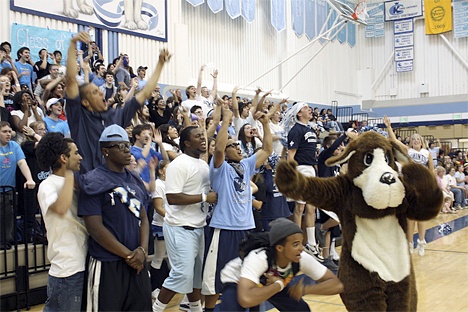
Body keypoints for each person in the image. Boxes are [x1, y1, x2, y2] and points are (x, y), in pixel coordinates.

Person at [64, 31, 170, 174]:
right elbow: (71, 80)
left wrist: (160, 63)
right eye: (94, 92)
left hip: (114, 184)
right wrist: (72, 44)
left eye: (99, 90)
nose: (101, 92)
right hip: (88, 185)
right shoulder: (79, 116)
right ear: (85, 102)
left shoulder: (116, 116)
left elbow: (144, 93)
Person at [201, 103, 274, 310]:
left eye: (239, 145)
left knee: (248, 276)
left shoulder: (246, 165)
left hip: (246, 229)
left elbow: (267, 149)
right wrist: (226, 121)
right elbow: (219, 149)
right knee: (216, 281)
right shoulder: (219, 167)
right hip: (224, 229)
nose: (239, 148)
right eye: (234, 145)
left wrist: (266, 124)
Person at [78, 124, 152, 311]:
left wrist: (142, 251)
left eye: (127, 145)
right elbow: (95, 228)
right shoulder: (92, 180)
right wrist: (128, 255)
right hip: (107, 263)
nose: (128, 150)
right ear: (105, 151)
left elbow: (143, 218)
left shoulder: (134, 179)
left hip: (137, 263)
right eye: (120, 146)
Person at [152, 126, 218, 312]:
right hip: (180, 227)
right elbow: (172, 198)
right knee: (181, 274)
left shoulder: (203, 164)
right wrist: (205, 198)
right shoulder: (178, 164)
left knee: (196, 277)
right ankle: (156, 309)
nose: (203, 139)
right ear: (187, 143)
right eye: (198, 137)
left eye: (203, 136)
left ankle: (195, 309)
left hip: (198, 226)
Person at [220, 218, 343, 311]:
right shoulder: (259, 258)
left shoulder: (301, 258)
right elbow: (245, 299)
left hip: (271, 284)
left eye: (301, 243)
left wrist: (305, 289)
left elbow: (337, 284)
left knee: (301, 310)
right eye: (295, 244)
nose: (301, 248)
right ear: (279, 248)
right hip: (238, 283)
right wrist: (278, 285)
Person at [36, 132, 87, 311]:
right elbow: (61, 207)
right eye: (76, 153)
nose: (80, 157)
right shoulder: (47, 185)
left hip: (83, 262)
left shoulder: (79, 181)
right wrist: (70, 174)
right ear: (64, 158)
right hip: (66, 268)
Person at [384, 116, 433, 256]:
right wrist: (388, 126)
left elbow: (431, 170)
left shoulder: (427, 154)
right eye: (413, 139)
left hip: (423, 186)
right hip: (410, 185)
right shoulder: (408, 151)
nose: (416, 141)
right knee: (410, 216)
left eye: (418, 139)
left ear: (422, 142)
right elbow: (394, 140)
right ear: (411, 143)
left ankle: (422, 242)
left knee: (421, 216)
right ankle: (410, 243)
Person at [284, 102, 323, 262]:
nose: (310, 110)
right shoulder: (295, 130)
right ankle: (296, 242)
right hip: (300, 170)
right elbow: (291, 155)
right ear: (299, 113)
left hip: (311, 170)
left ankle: (312, 243)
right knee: (299, 208)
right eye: (306, 108)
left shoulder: (310, 129)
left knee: (311, 207)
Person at [0, 121, 35, 249]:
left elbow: (22, 163)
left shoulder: (14, 146)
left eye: (9, 131)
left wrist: (29, 179)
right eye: (4, 132)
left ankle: (5, 242)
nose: (8, 134)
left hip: (9, 191)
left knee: (8, 218)